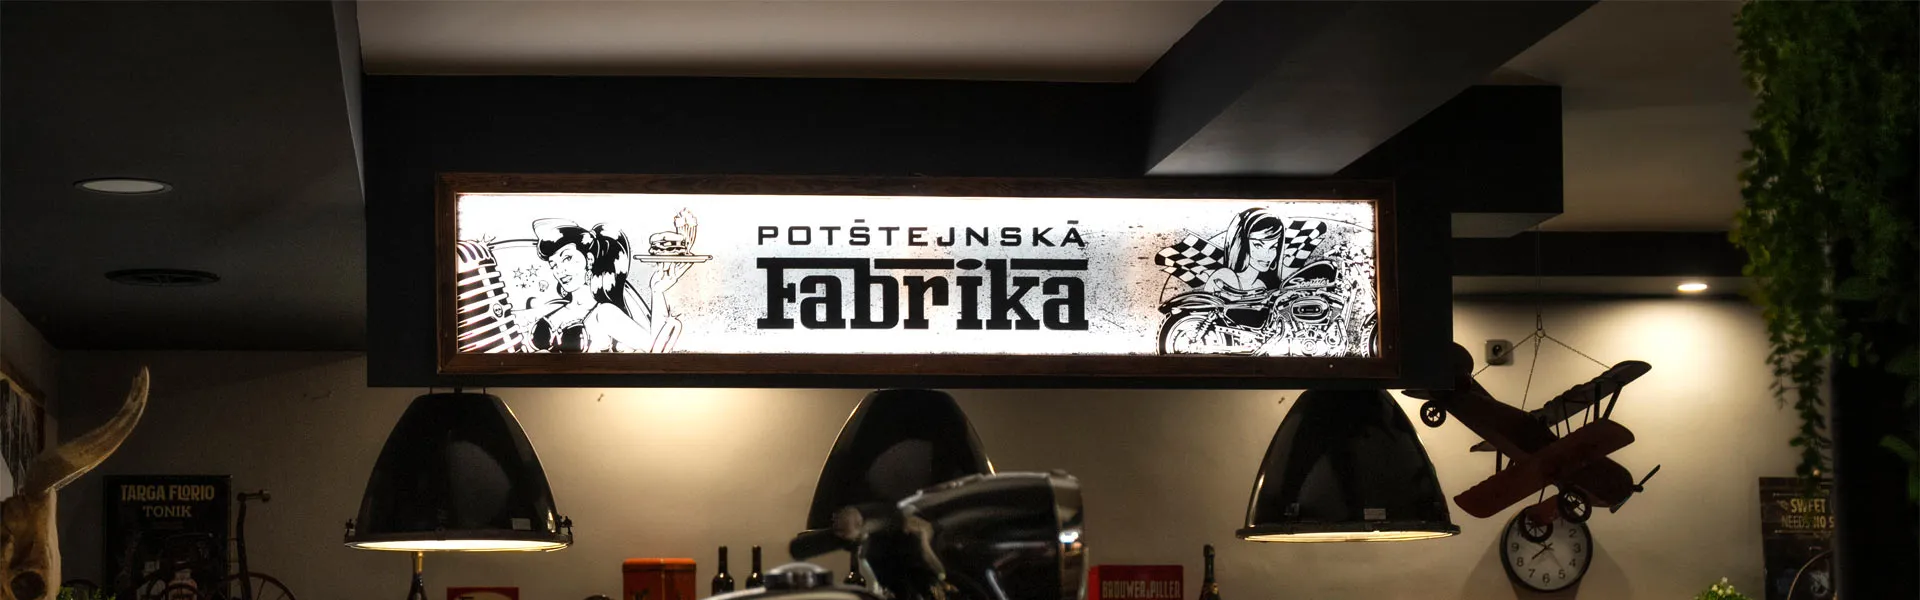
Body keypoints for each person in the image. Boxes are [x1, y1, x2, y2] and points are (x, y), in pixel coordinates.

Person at [523, 219, 689, 353]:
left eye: (567, 258)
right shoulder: (552, 310)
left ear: (589, 259)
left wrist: (657, 291)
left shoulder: (605, 313)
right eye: (553, 265)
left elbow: (654, 352)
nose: (560, 270)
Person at [1206, 207, 1285, 299]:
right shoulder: (1224, 277)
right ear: (1241, 245)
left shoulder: (1260, 285)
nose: (1267, 255)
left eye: (1273, 247)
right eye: (1258, 245)